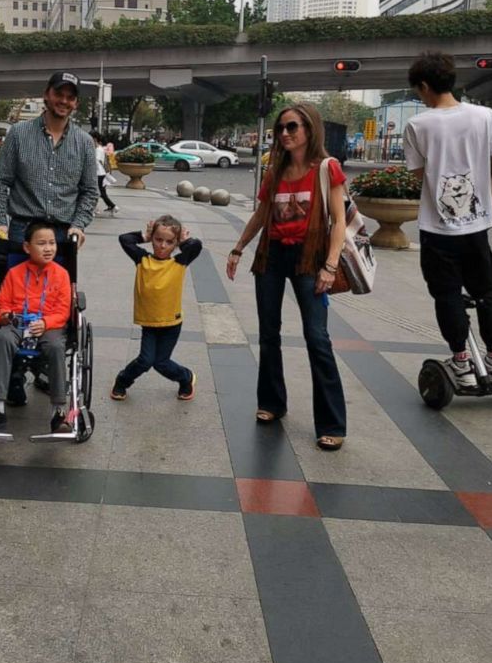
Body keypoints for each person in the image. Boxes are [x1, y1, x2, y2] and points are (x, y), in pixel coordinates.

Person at [226, 103, 347, 451]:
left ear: (310, 129)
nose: (284, 134)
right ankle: (272, 403)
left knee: (317, 337)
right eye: (280, 128)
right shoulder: (274, 170)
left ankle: (332, 422)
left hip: (310, 258)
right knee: (268, 334)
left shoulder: (327, 168)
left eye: (292, 127)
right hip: (272, 256)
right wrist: (238, 248)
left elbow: (338, 221)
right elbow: (262, 214)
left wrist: (330, 265)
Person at [404, 51, 492, 389]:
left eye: (418, 91)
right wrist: (488, 208)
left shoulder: (418, 126)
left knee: (447, 295)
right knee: (486, 294)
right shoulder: (486, 116)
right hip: (477, 229)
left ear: (424, 86)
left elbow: (422, 176)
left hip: (437, 231)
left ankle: (462, 364)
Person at [0, 220, 72, 436]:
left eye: (52, 243)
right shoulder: (14, 273)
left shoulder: (61, 274)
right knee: (2, 339)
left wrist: (46, 323)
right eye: (41, 244)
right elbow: (2, 306)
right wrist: (5, 316)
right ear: (27, 247)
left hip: (48, 324)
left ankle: (59, 412)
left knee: (56, 346)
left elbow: (64, 310)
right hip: (17, 322)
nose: (48, 248)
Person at [0, 71, 98, 251]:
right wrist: (0, 222)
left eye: (70, 97)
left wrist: (79, 224)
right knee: (15, 280)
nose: (64, 101)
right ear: (46, 94)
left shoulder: (84, 142)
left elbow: (90, 191)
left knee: (61, 280)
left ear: (76, 103)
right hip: (22, 231)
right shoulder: (19, 134)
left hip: (63, 234)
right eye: (59, 94)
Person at [111, 215, 201, 402]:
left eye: (169, 242)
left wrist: (184, 241)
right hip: (149, 323)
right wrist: (145, 235)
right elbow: (124, 239)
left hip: (172, 323)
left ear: (175, 244)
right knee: (145, 360)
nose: (162, 245)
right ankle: (122, 381)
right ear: (152, 239)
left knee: (161, 363)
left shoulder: (179, 262)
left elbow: (196, 246)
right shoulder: (142, 259)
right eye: (158, 240)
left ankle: (186, 378)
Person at [91, 131, 118, 216]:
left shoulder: (98, 150)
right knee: (101, 192)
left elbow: (97, 162)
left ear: (95, 139)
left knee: (97, 192)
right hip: (100, 173)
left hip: (98, 173)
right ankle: (111, 206)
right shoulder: (99, 148)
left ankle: (96, 209)